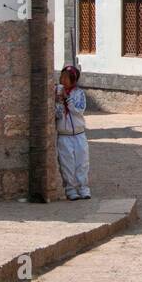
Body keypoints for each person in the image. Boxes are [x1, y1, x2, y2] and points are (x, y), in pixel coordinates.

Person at [55, 64, 91, 200]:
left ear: (73, 80)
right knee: (67, 163)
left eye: (67, 78)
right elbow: (56, 114)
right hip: (65, 135)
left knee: (82, 162)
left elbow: (79, 110)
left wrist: (67, 99)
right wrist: (58, 100)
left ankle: (83, 188)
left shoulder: (79, 93)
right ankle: (70, 189)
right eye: (62, 77)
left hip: (79, 134)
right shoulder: (55, 92)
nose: (63, 80)